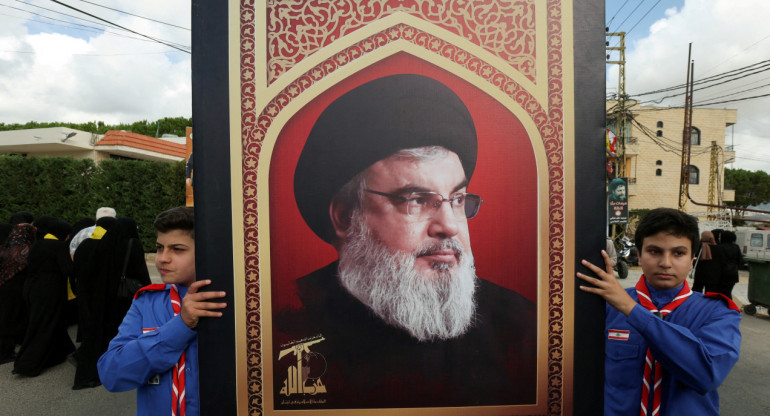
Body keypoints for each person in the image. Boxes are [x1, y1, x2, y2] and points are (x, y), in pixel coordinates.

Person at [274, 74, 537, 409]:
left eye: (457, 200)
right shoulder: (283, 324)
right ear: (344, 216)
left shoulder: (523, 329)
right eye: (414, 199)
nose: (449, 227)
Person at [578, 208, 741, 415]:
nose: (665, 263)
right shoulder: (605, 306)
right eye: (654, 251)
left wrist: (631, 309)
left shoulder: (718, 312)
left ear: (692, 261)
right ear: (639, 257)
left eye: (678, 253)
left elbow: (706, 375)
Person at [98, 206, 227, 416]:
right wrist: (180, 326)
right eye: (159, 248)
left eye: (177, 249)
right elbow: (112, 374)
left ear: (207, 249)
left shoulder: (235, 304)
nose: (162, 258)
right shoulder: (147, 302)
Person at [73, 216, 151, 390]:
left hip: (102, 298)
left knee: (103, 333)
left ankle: (94, 370)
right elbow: (141, 273)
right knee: (124, 334)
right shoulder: (133, 244)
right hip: (125, 298)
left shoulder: (101, 245)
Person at [13, 219, 75, 376]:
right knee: (45, 325)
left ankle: (60, 351)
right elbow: (67, 269)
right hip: (50, 290)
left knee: (43, 322)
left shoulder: (38, 244)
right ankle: (28, 364)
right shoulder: (58, 246)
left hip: (32, 288)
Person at [0, 213, 36, 364]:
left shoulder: (7, 243)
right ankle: (5, 352)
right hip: (14, 286)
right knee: (9, 318)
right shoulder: (22, 240)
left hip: (5, 283)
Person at [718, 230, 742, 299]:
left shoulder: (720, 247)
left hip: (722, 274)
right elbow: (740, 260)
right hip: (733, 274)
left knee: (721, 293)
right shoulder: (736, 247)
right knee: (728, 293)